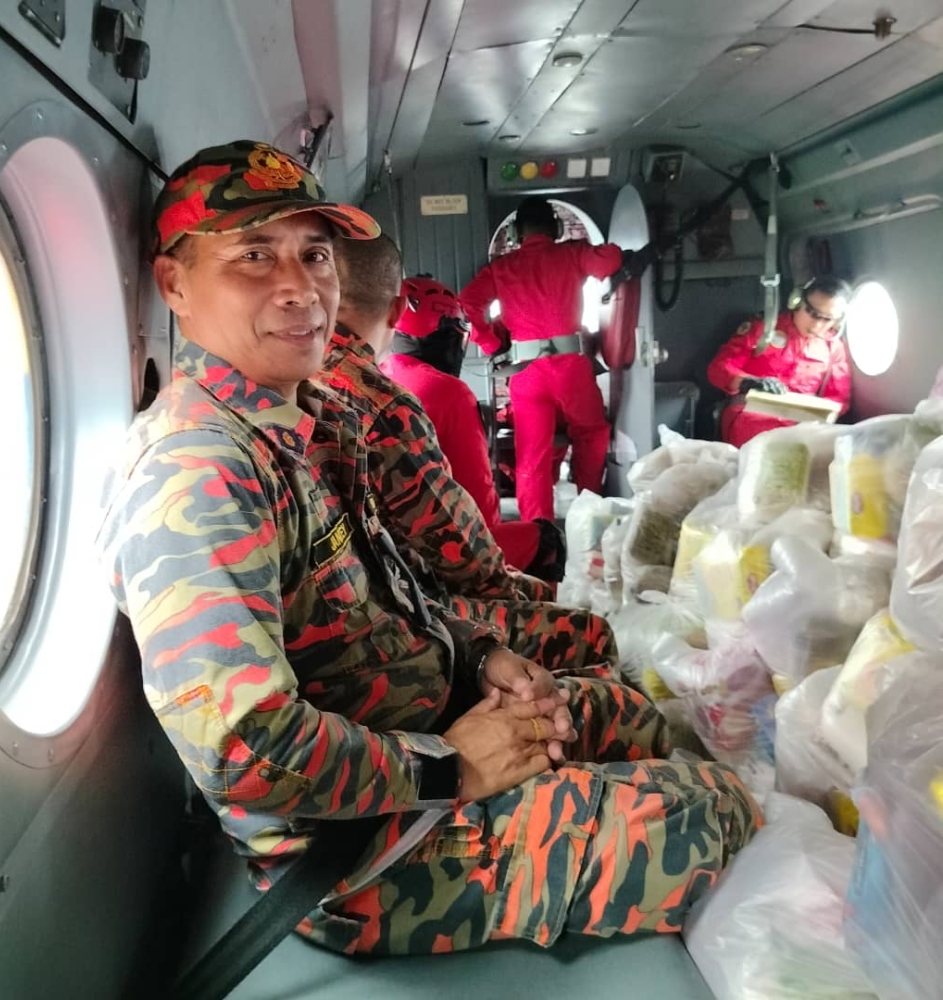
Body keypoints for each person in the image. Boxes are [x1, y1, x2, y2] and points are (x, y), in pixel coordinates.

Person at [98, 140, 761, 959]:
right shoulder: (200, 474)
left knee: (624, 712)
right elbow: (246, 748)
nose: (299, 286)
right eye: (254, 257)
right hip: (363, 847)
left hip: (422, 725)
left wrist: (478, 656)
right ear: (175, 285)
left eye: (315, 254)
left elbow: (384, 595)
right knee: (718, 811)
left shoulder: (299, 426)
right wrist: (449, 766)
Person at [319, 237, 612, 670]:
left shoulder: (324, 376)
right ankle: (594, 518)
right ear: (395, 313)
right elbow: (470, 530)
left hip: (365, 582)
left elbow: (476, 304)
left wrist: (494, 343)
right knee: (559, 527)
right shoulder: (412, 399)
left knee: (530, 464)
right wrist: (516, 593)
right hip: (407, 596)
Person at [316, 236, 557, 598]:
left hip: (362, 564)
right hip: (415, 575)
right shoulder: (440, 395)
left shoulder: (349, 373)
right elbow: (479, 521)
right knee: (547, 539)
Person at [460, 197, 654, 521]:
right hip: (571, 370)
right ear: (556, 227)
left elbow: (468, 302)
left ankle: (539, 535)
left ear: (515, 233)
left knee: (532, 457)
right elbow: (610, 259)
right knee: (591, 433)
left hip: (526, 374)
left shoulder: (501, 268)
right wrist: (590, 249)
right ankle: (588, 511)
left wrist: (491, 340)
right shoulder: (572, 254)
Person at [707, 277, 853, 447]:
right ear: (796, 302)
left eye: (827, 319)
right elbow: (718, 369)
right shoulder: (763, 328)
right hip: (751, 415)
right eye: (812, 313)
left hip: (803, 424)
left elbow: (838, 400)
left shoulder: (834, 348)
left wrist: (816, 416)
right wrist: (747, 382)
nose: (817, 324)